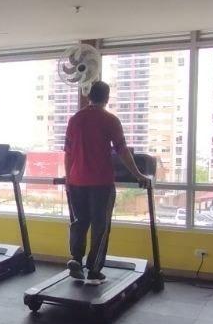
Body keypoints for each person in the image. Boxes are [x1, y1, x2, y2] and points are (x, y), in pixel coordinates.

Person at [63, 80, 150, 283]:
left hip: (76, 181)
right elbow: (122, 151)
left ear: (89, 96)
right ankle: (94, 269)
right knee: (100, 227)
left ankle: (76, 259)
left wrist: (68, 178)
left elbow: (68, 153)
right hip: (100, 183)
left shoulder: (74, 119)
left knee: (79, 222)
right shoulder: (110, 120)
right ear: (107, 98)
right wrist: (138, 174)